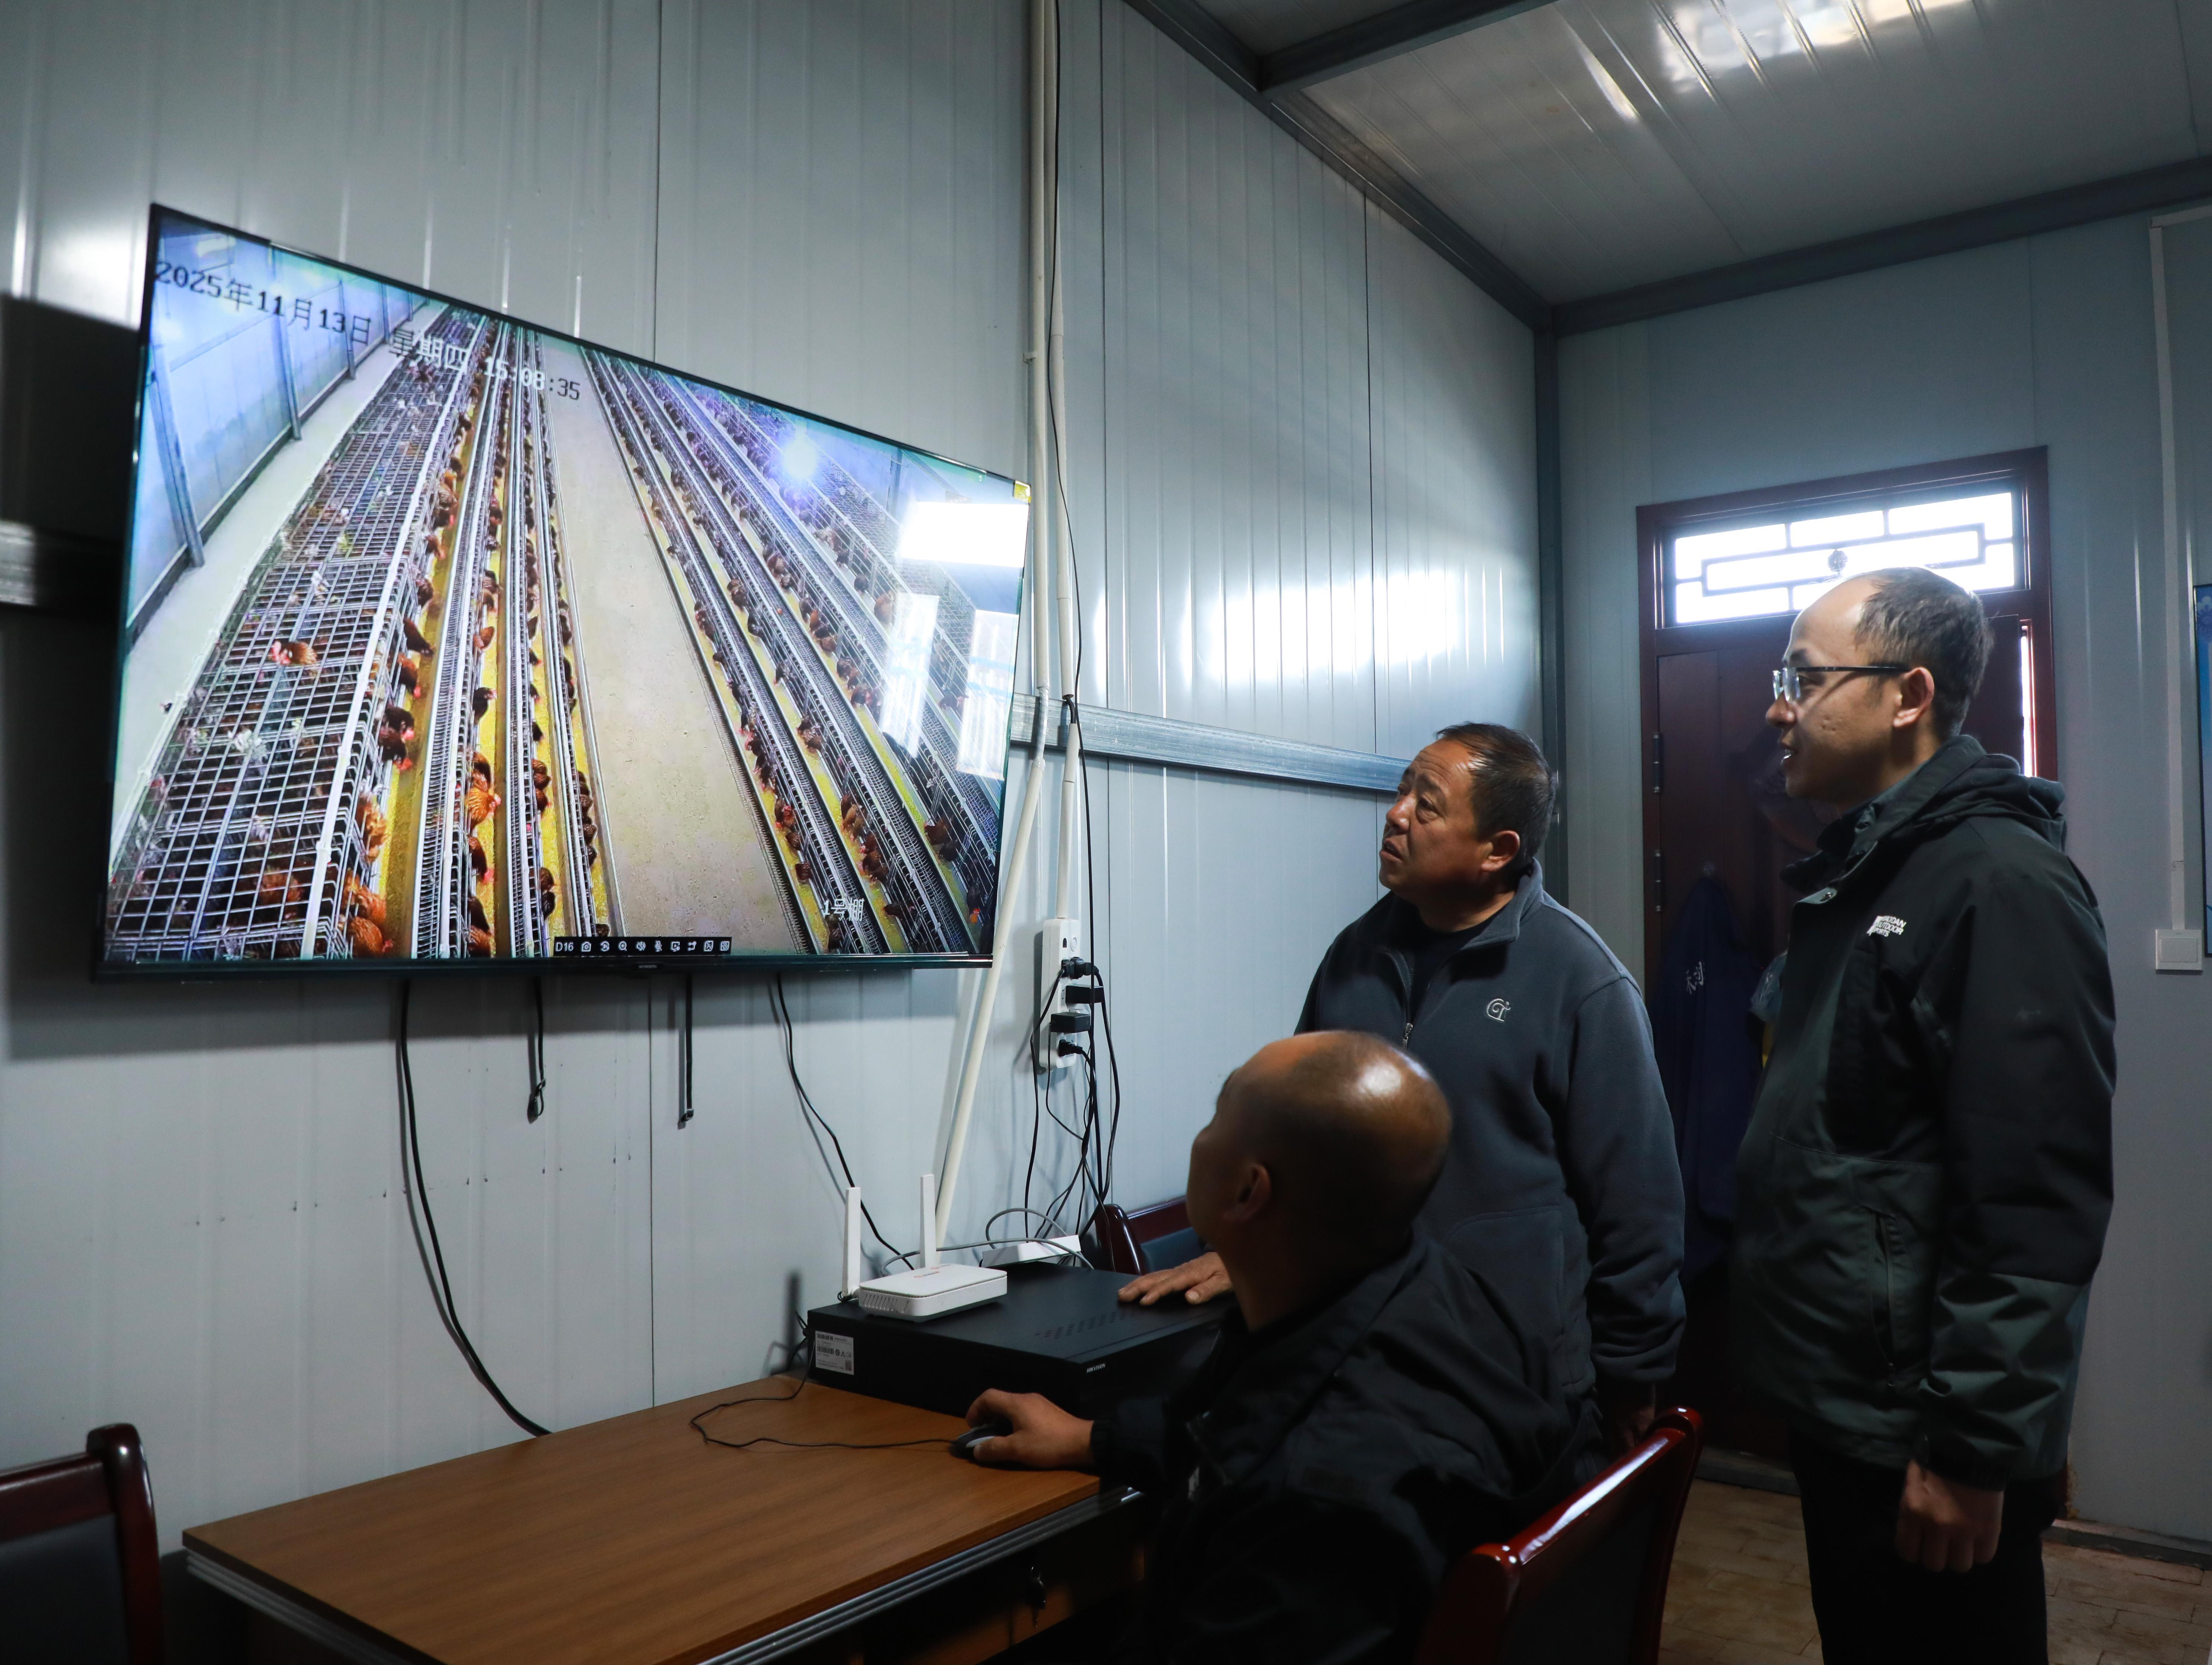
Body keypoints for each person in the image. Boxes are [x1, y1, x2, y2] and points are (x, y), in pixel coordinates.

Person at [1732, 567, 2115, 1665]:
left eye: (1803, 679)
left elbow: (2032, 1190)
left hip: (1924, 1431)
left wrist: (1973, 1449)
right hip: (1851, 1406)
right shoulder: (1873, 868)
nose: (1777, 709)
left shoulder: (1997, 880)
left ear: (1909, 695)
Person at [1121, 724, 1684, 1460]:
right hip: (1358, 1368)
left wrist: (1633, 1372)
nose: (1396, 814)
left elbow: (1638, 1204)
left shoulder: (1581, 982)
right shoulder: (1355, 955)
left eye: (1428, 804)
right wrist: (1246, 1253)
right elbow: (1295, 1133)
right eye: (1401, 792)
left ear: (1498, 850)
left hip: (1511, 1384)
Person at [967, 1032, 1586, 1664]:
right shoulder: (1438, 1294)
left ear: (1248, 1193)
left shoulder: (1319, 1506)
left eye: (1216, 1117)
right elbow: (1235, 1428)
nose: (1200, 1136)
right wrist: (1091, 1440)